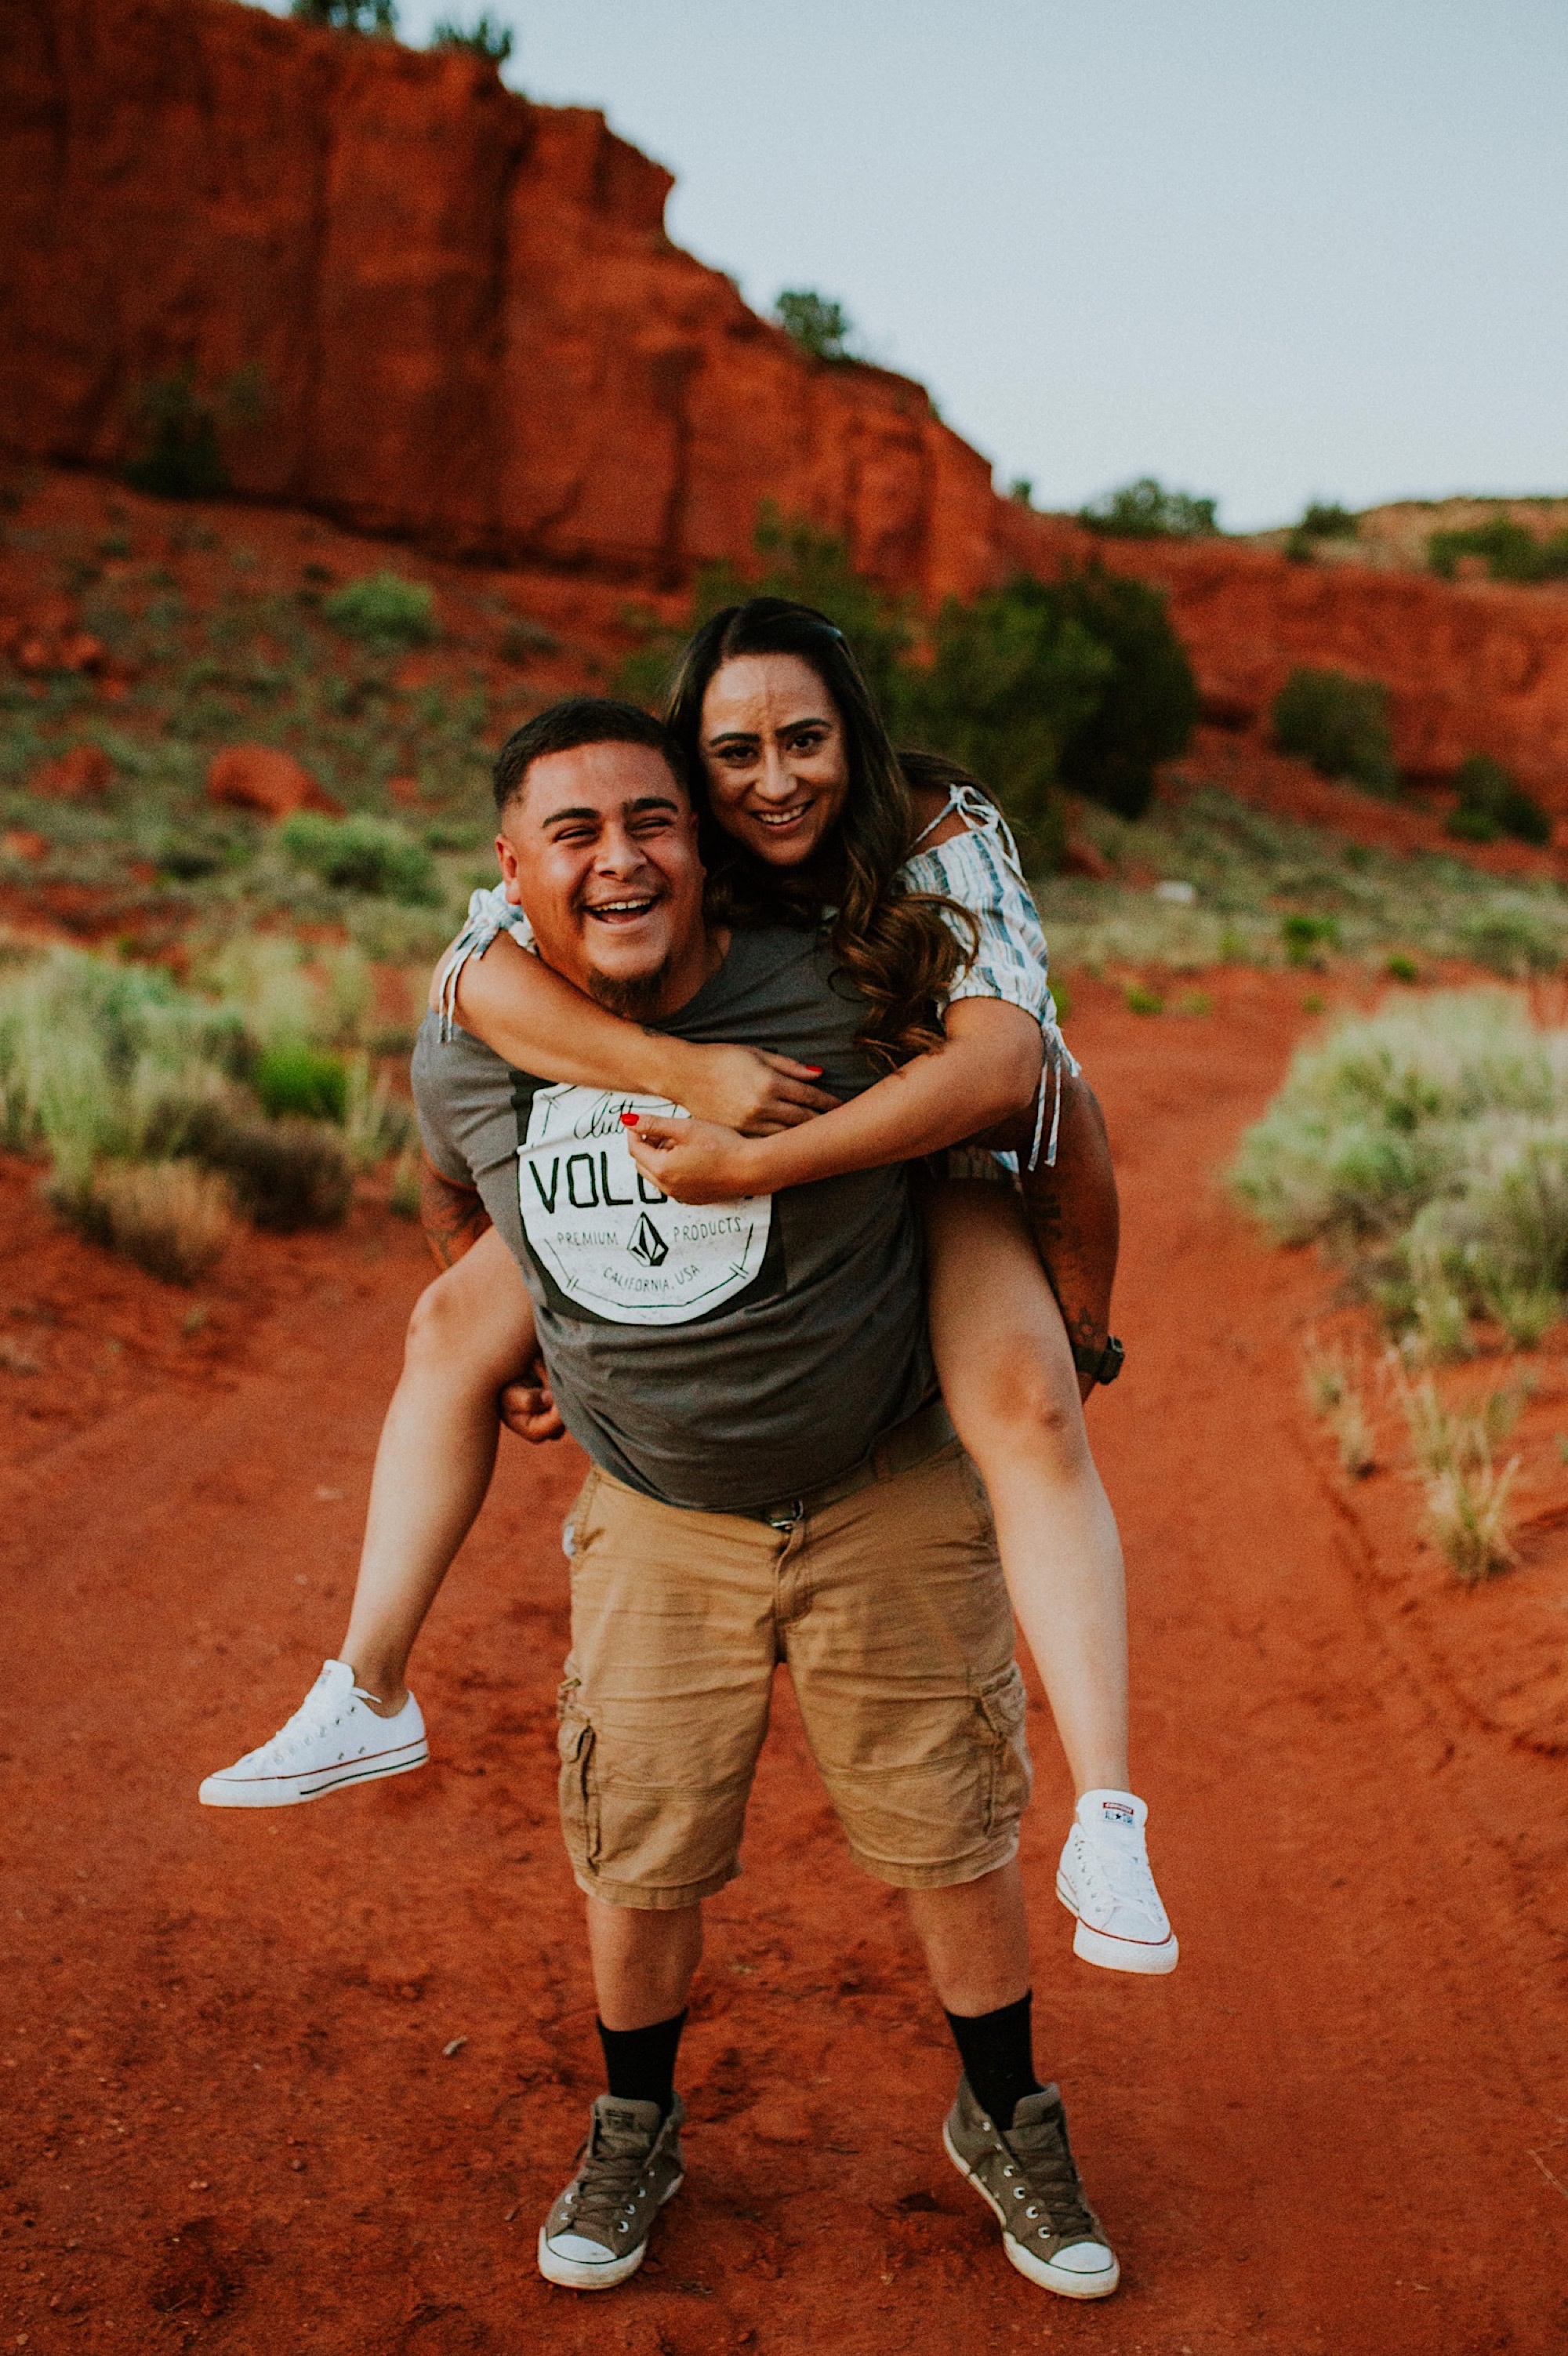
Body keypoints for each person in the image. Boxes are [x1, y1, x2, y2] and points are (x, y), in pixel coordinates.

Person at [201, 600, 1174, 1986]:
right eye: (736, 751)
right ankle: (366, 1685)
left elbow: (1030, 1079)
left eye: (805, 740)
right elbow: (471, 982)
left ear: (859, 736)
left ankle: (1110, 1815)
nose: (774, 779)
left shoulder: (939, 837)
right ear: (690, 765)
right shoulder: (651, 834)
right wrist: (679, 1094)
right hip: (721, 1115)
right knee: (445, 1328)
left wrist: (1084, 1315)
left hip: (930, 1135)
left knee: (1026, 1406)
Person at [424, 695, 1124, 2296]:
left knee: (951, 1822)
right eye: (581, 833)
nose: (623, 857)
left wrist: (1083, 1315)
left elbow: (1038, 1093)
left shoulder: (852, 977)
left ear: (706, 835)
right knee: (640, 1836)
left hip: (885, 1473)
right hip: (660, 1509)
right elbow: (451, 1152)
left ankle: (1006, 2111)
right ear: (515, 860)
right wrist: (503, 1327)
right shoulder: (490, 1003)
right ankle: (634, 2120)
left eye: (654, 820)